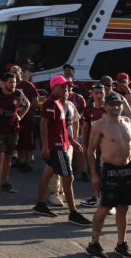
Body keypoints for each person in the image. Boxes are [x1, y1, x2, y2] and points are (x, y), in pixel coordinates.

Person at [85, 92, 131, 258]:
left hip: (127, 170)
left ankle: (121, 244)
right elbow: (90, 150)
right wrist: (94, 174)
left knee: (124, 208)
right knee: (105, 207)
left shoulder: (127, 122)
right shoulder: (99, 125)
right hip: (109, 170)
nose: (116, 107)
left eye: (118, 104)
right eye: (112, 104)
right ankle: (94, 244)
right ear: (106, 106)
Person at [33, 75, 92, 226]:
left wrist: (71, 140)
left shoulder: (61, 103)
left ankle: (40, 204)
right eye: (62, 87)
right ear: (54, 87)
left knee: (47, 174)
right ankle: (73, 213)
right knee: (68, 177)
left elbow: (63, 128)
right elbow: (44, 125)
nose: (66, 90)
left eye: (67, 88)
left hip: (62, 144)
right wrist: (45, 146)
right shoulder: (50, 103)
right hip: (57, 146)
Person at [0, 72, 29, 196]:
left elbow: (27, 104)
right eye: (10, 82)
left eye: (14, 82)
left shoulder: (18, 94)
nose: (13, 85)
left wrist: (20, 116)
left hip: (13, 130)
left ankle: (5, 183)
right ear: (3, 83)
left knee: (8, 157)